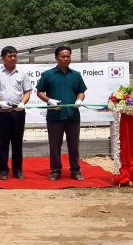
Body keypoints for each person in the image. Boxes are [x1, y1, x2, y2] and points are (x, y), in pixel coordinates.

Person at [36, 45, 87, 181]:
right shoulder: (48, 75)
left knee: (74, 145)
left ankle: (75, 170)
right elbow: (39, 92)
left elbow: (81, 91)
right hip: (54, 117)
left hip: (72, 116)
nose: (66, 59)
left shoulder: (76, 75)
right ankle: (55, 170)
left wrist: (79, 100)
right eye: (63, 56)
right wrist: (49, 100)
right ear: (56, 58)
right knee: (55, 145)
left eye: (68, 56)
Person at [0, 46, 32, 180]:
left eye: (15, 56)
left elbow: (27, 92)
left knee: (17, 142)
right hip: (2, 111)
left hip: (18, 111)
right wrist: (0, 103)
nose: (13, 58)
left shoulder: (22, 73)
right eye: (10, 56)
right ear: (3, 58)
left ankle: (18, 170)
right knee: (3, 142)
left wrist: (23, 103)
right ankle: (3, 170)